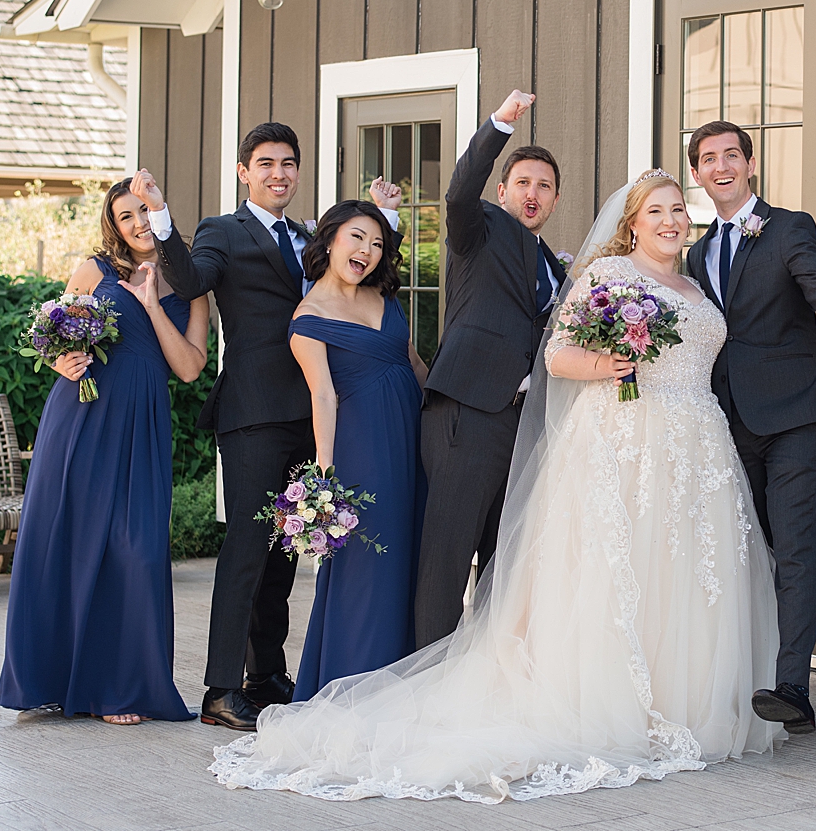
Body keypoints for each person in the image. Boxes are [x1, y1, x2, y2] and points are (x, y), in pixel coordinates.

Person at [209, 171, 781, 803]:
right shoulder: (602, 273)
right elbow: (559, 353)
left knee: (673, 576)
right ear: (632, 221)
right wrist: (608, 364)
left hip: (696, 451)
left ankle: (679, 697)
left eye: (679, 209)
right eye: (656, 210)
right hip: (603, 437)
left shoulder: (689, 285)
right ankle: (431, 674)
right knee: (465, 563)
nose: (670, 219)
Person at [133, 124, 403, 731]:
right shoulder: (220, 231)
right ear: (243, 172)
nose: (278, 173)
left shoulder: (312, 235)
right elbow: (192, 279)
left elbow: (356, 271)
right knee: (247, 550)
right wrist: (159, 216)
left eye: (288, 163)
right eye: (265, 163)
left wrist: (386, 218)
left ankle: (266, 673)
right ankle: (220, 689)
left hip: (314, 405)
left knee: (287, 551)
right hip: (254, 412)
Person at [0, 180, 210, 725]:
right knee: (65, 538)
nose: (137, 222)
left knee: (134, 547)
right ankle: (49, 680)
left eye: (143, 210)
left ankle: (119, 686)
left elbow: (188, 367)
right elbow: (55, 335)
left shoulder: (190, 282)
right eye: (125, 215)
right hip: (81, 415)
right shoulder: (94, 269)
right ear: (113, 225)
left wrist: (150, 304)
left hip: (140, 421)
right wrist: (60, 362)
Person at [682, 120, 816, 735]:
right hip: (730, 420)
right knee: (745, 552)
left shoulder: (789, 226)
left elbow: (814, 278)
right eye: (708, 159)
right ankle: (750, 672)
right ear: (699, 174)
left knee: (793, 547)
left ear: (751, 164)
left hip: (796, 416)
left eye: (732, 154)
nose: (721, 166)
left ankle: (792, 688)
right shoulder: (697, 252)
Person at [416, 90, 571, 648]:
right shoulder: (477, 228)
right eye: (523, 183)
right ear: (503, 191)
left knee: (502, 564)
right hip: (468, 413)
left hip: (523, 426)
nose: (533, 194)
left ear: (555, 200)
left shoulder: (554, 265)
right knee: (447, 560)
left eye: (544, 187)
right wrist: (499, 126)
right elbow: (459, 191)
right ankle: (425, 680)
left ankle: (476, 681)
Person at [288, 201, 429, 700]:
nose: (367, 251)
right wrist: (324, 476)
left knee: (411, 557)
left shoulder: (385, 299)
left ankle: (406, 680)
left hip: (412, 439)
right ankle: (354, 684)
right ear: (329, 241)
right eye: (356, 238)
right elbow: (322, 396)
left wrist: (442, 426)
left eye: (375, 243)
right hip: (363, 449)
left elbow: (413, 363)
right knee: (371, 563)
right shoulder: (308, 320)